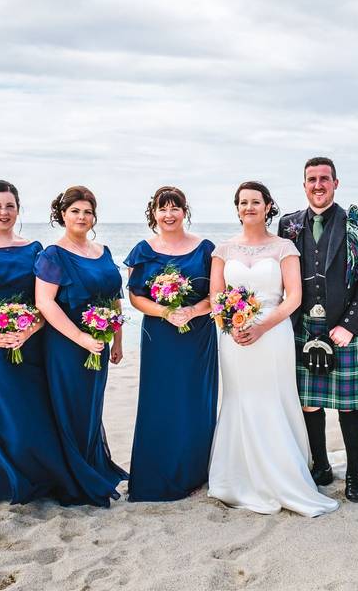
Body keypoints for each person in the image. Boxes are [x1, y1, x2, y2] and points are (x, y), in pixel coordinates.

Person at [0, 180, 114, 510]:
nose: (4, 212)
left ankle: (39, 479)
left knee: (32, 413)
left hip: (30, 340)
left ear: (18, 209)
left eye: (10, 206)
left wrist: (29, 330)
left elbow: (44, 301)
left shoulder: (33, 249)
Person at [207, 181, 338, 516]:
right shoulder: (222, 250)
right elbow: (215, 297)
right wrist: (230, 326)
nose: (249, 207)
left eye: (255, 202)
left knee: (272, 398)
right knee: (239, 399)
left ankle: (283, 476)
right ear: (236, 208)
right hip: (234, 337)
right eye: (243, 202)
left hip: (274, 333)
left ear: (268, 206)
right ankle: (238, 478)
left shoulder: (284, 248)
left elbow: (294, 297)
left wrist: (263, 325)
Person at [278, 157, 358, 503]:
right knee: (308, 405)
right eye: (311, 180)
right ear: (304, 184)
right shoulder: (289, 224)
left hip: (342, 327)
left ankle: (353, 474)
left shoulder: (356, 224)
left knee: (349, 406)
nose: (318, 185)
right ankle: (320, 466)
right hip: (304, 324)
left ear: (336, 183)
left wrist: (349, 326)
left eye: (324, 179)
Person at [34, 186, 127, 506]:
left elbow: (114, 298)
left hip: (99, 345)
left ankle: (91, 466)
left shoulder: (104, 251)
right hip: (66, 345)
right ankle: (74, 479)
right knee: (70, 407)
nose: (82, 217)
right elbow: (45, 303)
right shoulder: (52, 255)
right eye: (75, 211)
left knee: (91, 407)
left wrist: (116, 340)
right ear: (62, 215)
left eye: (87, 212)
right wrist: (81, 338)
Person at [124, 186, 217, 501]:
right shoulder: (144, 249)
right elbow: (134, 296)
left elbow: (215, 296)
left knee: (195, 399)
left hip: (199, 333)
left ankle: (195, 471)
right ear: (154, 213)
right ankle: (157, 471)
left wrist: (191, 310)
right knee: (159, 400)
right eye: (162, 209)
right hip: (159, 335)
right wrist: (166, 311)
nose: (168, 214)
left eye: (174, 208)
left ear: (184, 211)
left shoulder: (205, 249)